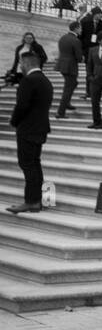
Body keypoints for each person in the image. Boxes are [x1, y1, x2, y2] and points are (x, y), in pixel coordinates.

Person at [6, 49, 53, 214]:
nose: (20, 66)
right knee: (34, 163)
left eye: (21, 63)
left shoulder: (29, 80)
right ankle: (36, 200)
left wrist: (13, 121)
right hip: (40, 128)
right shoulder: (45, 80)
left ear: (26, 63)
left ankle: (31, 201)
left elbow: (22, 105)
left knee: (27, 164)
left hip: (28, 129)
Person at [54, 21, 83, 119]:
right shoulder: (76, 40)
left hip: (62, 65)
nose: (81, 30)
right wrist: (82, 58)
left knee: (73, 84)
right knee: (68, 88)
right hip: (70, 66)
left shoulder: (63, 38)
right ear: (76, 28)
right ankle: (60, 112)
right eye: (80, 28)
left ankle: (67, 103)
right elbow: (79, 57)